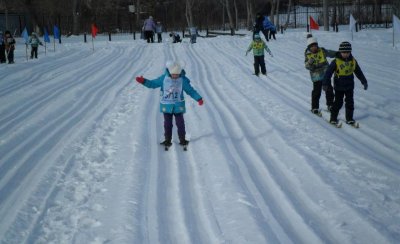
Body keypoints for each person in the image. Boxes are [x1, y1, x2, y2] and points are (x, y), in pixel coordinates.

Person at [135, 61, 203, 146]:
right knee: (167, 123)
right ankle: (167, 140)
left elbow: (190, 91)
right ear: (170, 72)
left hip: (178, 106)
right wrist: (143, 81)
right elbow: (153, 84)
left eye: (177, 74)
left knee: (180, 123)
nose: (175, 76)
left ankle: (182, 139)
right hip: (166, 106)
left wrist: (198, 98)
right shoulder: (164, 78)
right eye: (173, 74)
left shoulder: (182, 80)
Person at [323, 41, 368, 125]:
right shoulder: (336, 61)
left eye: (347, 52)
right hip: (339, 87)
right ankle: (333, 118)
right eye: (343, 52)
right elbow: (328, 73)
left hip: (350, 86)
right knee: (338, 103)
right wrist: (325, 83)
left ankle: (349, 118)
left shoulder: (353, 61)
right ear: (340, 52)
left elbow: (358, 71)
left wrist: (364, 81)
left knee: (350, 102)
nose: (345, 54)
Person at [304, 37, 337, 114]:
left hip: (325, 75)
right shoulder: (308, 54)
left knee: (329, 90)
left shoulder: (322, 51)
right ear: (309, 47)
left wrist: (338, 53)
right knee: (316, 92)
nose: (314, 47)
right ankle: (315, 107)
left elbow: (330, 53)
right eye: (312, 46)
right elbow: (307, 66)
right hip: (316, 77)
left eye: (315, 45)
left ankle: (330, 104)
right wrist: (310, 63)